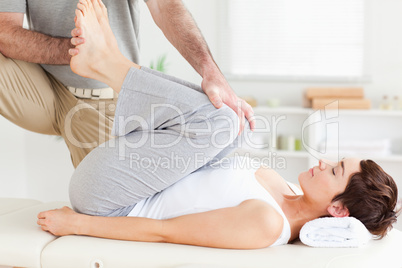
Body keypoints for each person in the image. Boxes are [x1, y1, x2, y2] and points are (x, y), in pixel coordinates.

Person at [37, 0, 399, 249]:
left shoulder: (268, 224)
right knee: (233, 122)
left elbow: (165, 233)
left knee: (223, 122)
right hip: (132, 176)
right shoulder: (286, 189)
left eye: (335, 170)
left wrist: (76, 225)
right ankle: (105, 64)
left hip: (110, 202)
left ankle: (107, 63)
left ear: (338, 210)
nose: (322, 161)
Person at [0, 0, 254, 168]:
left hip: (102, 101)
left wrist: (210, 70)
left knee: (109, 210)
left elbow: (164, 7)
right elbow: (5, 32)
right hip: (43, 88)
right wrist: (77, 50)